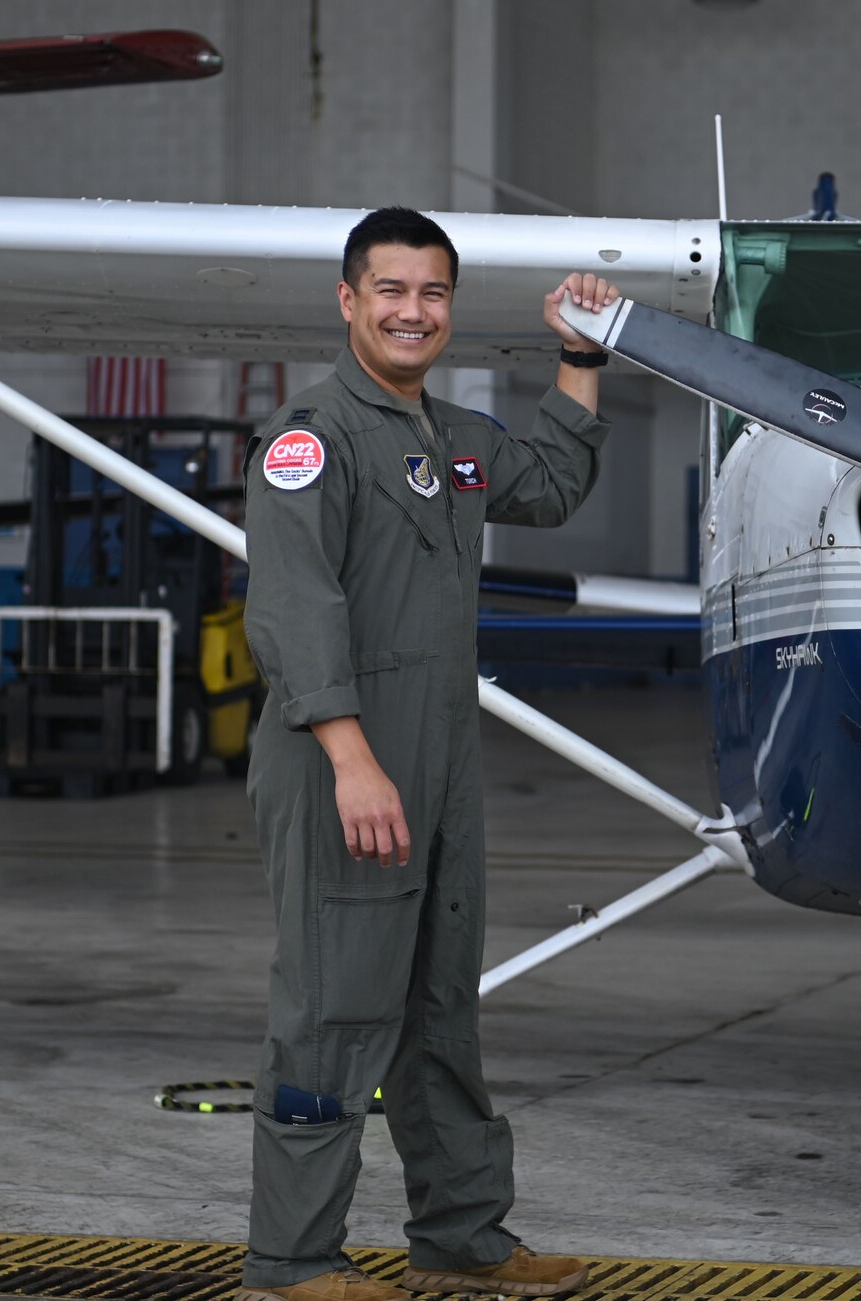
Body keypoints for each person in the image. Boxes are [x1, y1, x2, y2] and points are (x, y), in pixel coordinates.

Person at [236, 207, 617, 1301]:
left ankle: (459, 1233)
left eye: (433, 293)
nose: (413, 311)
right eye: (391, 290)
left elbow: (547, 482)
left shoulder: (450, 440)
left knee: (439, 1003)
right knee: (334, 1005)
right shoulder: (310, 437)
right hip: (341, 760)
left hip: (439, 764)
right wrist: (353, 758)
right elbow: (296, 608)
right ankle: (294, 1258)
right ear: (348, 300)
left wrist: (578, 357)